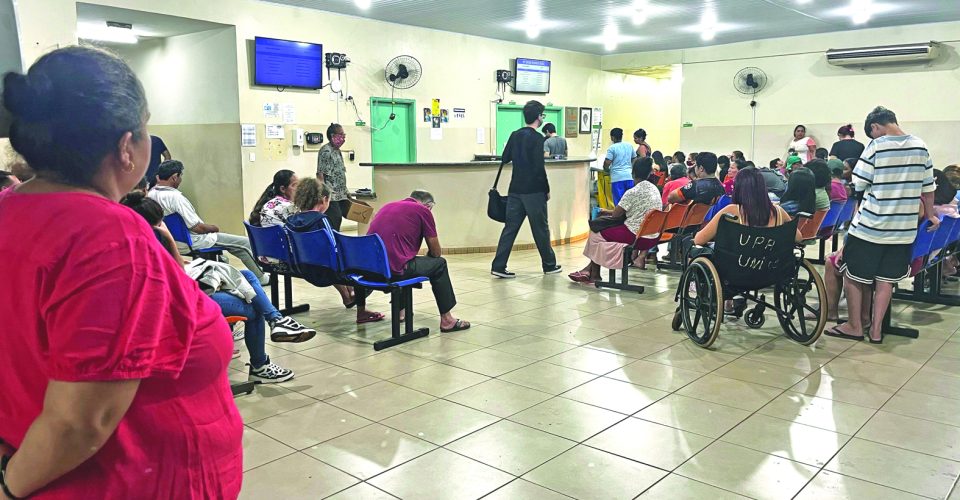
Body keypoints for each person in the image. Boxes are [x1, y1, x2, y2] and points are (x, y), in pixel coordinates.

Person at [0, 45, 242, 499]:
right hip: (126, 480)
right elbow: (80, 422)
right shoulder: (107, 235)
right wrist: (9, 490)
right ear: (126, 146)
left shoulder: (11, 210)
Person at [120, 191, 315, 382]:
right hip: (184, 302)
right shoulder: (149, 246)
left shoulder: (129, 243)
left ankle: (276, 321)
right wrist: (168, 239)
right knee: (254, 309)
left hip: (186, 294)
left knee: (246, 276)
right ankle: (260, 363)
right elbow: (177, 279)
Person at [827, 106, 938, 344]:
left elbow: (859, 182)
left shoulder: (877, 146)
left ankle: (855, 326)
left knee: (853, 276)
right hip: (903, 230)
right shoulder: (921, 145)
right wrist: (931, 215)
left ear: (875, 127)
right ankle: (876, 331)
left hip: (870, 226)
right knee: (886, 281)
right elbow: (928, 188)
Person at [283, 178, 385, 324]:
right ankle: (360, 309)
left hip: (304, 268)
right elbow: (334, 246)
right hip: (326, 272)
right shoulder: (321, 219)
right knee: (361, 264)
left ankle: (351, 293)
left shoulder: (292, 220)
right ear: (324, 200)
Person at [149, 160, 268, 284]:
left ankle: (221, 269)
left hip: (169, 241)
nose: (180, 180)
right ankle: (261, 278)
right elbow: (197, 228)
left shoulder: (151, 194)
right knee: (244, 243)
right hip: (191, 241)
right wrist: (214, 228)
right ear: (174, 177)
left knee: (229, 250)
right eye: (180, 176)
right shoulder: (176, 198)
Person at [368, 190, 471, 332]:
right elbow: (436, 252)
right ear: (428, 206)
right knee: (439, 264)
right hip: (393, 271)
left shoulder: (387, 206)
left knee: (402, 258)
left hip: (370, 269)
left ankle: (400, 311)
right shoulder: (423, 210)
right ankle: (447, 320)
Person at [491, 100, 561, 278]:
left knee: (510, 228)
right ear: (539, 117)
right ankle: (549, 264)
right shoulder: (538, 138)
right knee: (540, 229)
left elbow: (505, 158)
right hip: (534, 191)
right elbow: (539, 167)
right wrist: (546, 188)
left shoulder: (515, 135)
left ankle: (498, 265)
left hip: (515, 190)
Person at [571, 158, 662, 283]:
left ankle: (594, 274)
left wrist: (605, 212)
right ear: (648, 173)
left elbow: (616, 215)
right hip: (653, 236)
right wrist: (607, 211)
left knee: (596, 232)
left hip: (636, 236)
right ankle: (589, 269)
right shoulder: (654, 189)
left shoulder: (632, 192)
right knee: (600, 231)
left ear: (633, 173)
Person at [694, 167, 800, 246]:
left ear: (738, 189)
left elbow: (699, 240)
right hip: (771, 268)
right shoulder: (779, 212)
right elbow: (799, 238)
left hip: (738, 267)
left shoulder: (732, 211)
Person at [316, 122, 351, 231]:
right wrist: (323, 194)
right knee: (334, 219)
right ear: (332, 136)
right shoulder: (326, 151)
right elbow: (320, 174)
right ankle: (332, 244)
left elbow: (339, 173)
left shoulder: (337, 150)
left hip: (340, 193)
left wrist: (346, 192)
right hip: (331, 194)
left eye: (344, 135)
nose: (343, 138)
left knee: (340, 218)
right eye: (340, 135)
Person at [603, 128, 637, 204]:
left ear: (612, 137)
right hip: (629, 177)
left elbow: (607, 162)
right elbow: (635, 159)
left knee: (619, 203)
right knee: (630, 202)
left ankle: (619, 216)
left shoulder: (612, 148)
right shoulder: (629, 146)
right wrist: (631, 168)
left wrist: (606, 169)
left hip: (617, 179)